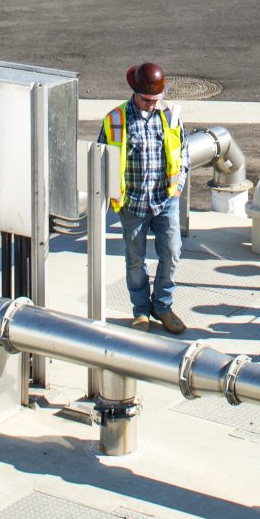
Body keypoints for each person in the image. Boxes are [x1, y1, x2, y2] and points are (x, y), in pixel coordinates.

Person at [101, 61, 187, 334]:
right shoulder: (115, 120)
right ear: (135, 93)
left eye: (156, 99)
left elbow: (183, 152)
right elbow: (102, 161)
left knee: (172, 254)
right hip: (134, 204)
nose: (153, 104)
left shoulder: (171, 115)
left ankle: (162, 305)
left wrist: (179, 184)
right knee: (136, 260)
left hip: (165, 200)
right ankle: (141, 311)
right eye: (148, 99)